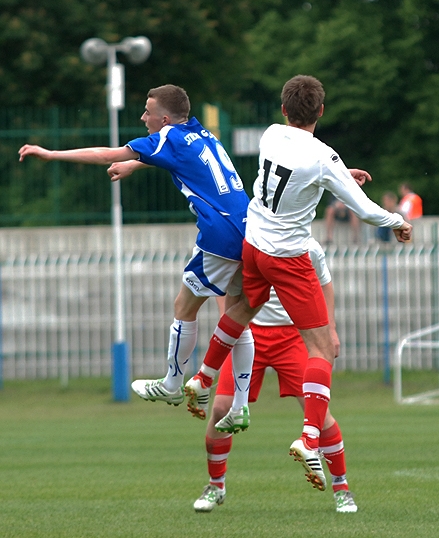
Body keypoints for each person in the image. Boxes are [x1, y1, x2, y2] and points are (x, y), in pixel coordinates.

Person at [184, 75, 412, 492]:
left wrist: (342, 175)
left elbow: (299, 177)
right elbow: (362, 209)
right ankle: (309, 439)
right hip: (287, 257)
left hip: (253, 245)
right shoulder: (324, 156)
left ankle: (201, 376)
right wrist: (397, 221)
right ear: (321, 111)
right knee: (322, 348)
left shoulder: (271, 135)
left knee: (241, 309)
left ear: (284, 109)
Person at [18, 84, 253, 409]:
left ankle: (173, 383)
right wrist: (136, 164)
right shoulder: (200, 133)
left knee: (184, 307)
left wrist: (50, 153)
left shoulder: (167, 137)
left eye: (148, 112)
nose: (143, 117)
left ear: (165, 118)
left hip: (220, 235)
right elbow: (179, 159)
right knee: (236, 315)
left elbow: (105, 154)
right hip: (250, 230)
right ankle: (241, 406)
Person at [194, 238, 358, 515]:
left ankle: (342, 488)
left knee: (318, 413)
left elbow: (324, 282)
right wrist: (230, 321)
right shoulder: (246, 241)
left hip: (293, 335)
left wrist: (330, 329)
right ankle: (215, 485)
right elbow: (224, 282)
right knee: (221, 409)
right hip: (250, 334)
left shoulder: (307, 245)